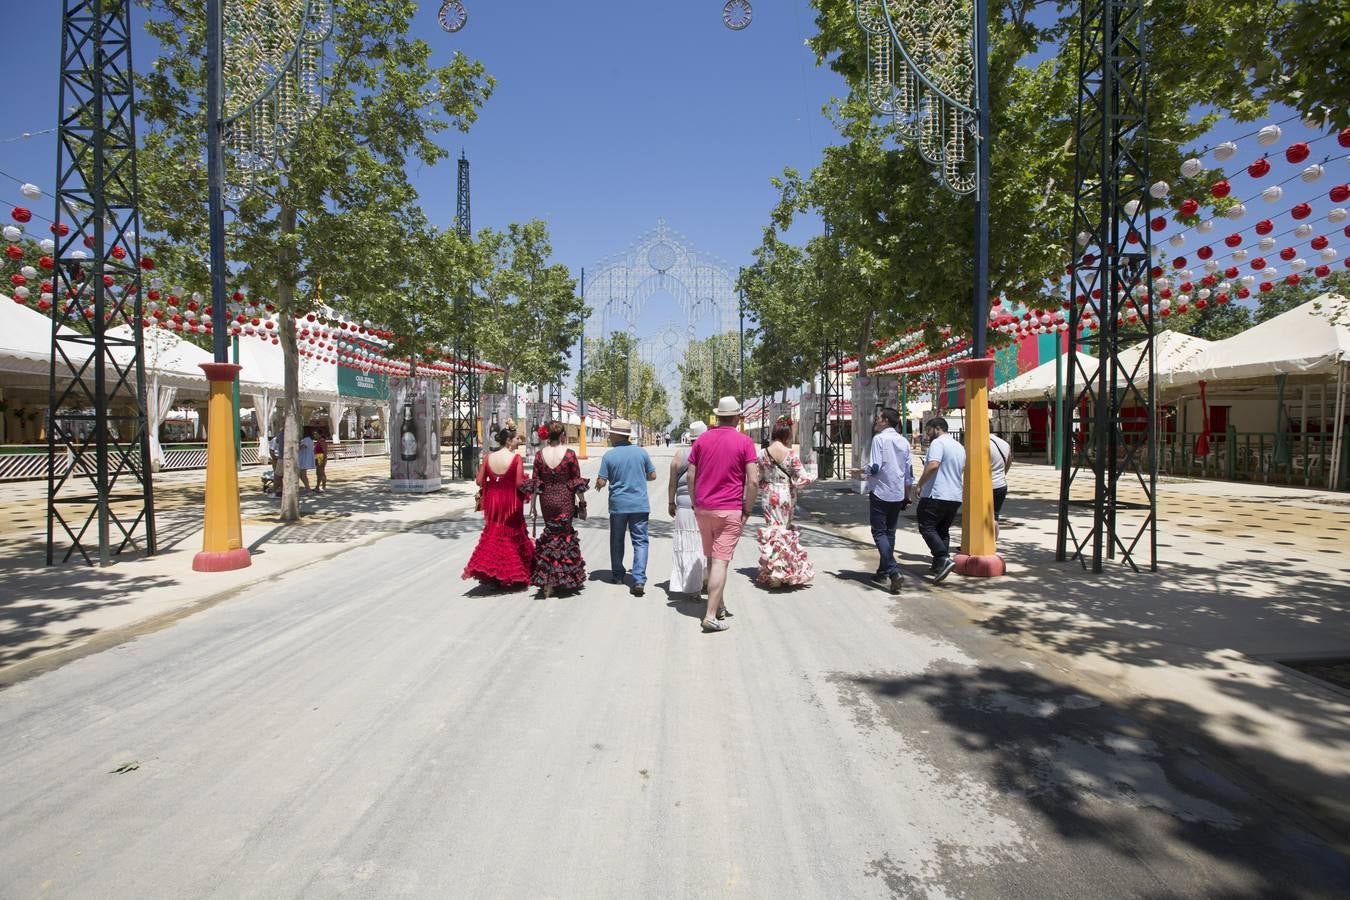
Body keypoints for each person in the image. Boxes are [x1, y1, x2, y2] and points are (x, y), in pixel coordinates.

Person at [688, 397, 759, 633]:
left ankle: (718, 605)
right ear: (738, 418)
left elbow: (690, 476)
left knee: (711, 558)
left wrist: (695, 501)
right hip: (729, 510)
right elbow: (753, 481)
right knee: (720, 561)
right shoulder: (745, 442)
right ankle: (709, 615)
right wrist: (747, 509)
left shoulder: (702, 440)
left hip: (703, 508)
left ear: (717, 416)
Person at [849, 407, 914, 594]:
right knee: (890, 533)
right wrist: (907, 495)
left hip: (880, 492)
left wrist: (860, 471)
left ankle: (893, 571)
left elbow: (875, 467)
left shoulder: (879, 439)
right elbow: (908, 473)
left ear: (885, 420)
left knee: (878, 533)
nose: (876, 422)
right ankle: (883, 571)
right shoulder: (904, 441)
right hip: (897, 493)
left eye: (878, 419)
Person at [463, 425, 534, 588]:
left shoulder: (488, 457)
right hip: (510, 501)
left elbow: (479, 481)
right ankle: (510, 574)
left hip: (493, 501)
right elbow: (518, 483)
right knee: (510, 534)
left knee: (494, 533)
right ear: (509, 441)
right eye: (517, 438)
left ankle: (494, 572)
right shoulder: (515, 459)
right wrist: (529, 483)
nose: (519, 441)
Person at [594, 418, 656, 597]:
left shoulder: (609, 456)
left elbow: (602, 481)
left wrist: (599, 483)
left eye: (610, 433)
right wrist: (638, 477)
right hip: (639, 504)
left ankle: (618, 575)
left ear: (616, 435)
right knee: (641, 541)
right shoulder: (642, 453)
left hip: (618, 505)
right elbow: (652, 475)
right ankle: (638, 579)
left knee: (617, 539)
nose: (609, 436)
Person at [528, 420, 588, 597]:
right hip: (565, 499)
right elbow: (576, 482)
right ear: (562, 435)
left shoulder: (540, 455)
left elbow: (536, 483)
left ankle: (548, 579)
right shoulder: (569, 454)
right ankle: (560, 578)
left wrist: (532, 507)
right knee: (563, 537)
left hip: (546, 500)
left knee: (550, 536)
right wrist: (582, 505)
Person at [755, 416, 815, 588]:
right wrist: (811, 476)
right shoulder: (791, 455)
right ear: (787, 435)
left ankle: (774, 574)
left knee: (773, 531)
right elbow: (803, 478)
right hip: (786, 495)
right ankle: (782, 572)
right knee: (784, 531)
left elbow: (758, 478)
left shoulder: (762, 453)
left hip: (768, 495)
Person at [916, 417, 966, 583]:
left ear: (937, 428)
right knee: (942, 530)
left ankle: (943, 558)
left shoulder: (938, 443)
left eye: (928, 430)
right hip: (954, 495)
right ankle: (939, 564)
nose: (927, 434)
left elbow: (933, 465)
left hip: (936, 494)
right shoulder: (959, 446)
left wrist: (919, 484)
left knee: (926, 526)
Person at [668, 420, 707, 596]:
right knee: (703, 545)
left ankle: (692, 587)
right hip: (704, 506)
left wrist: (671, 502)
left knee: (688, 546)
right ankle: (705, 580)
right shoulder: (708, 453)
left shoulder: (679, 455)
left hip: (683, 507)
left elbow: (672, 484)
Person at [989, 427, 1012, 529]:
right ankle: (993, 543)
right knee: (994, 516)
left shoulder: (982, 443)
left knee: (981, 517)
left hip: (987, 486)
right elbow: (1009, 461)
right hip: (1001, 484)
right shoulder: (1004, 443)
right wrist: (1002, 474)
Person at [297, 427, 315, 492]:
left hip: (304, 459)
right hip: (304, 459)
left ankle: (308, 489)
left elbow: (302, 447)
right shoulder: (309, 439)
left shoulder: (306, 439)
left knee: (303, 475)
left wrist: (297, 445)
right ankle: (307, 488)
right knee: (301, 475)